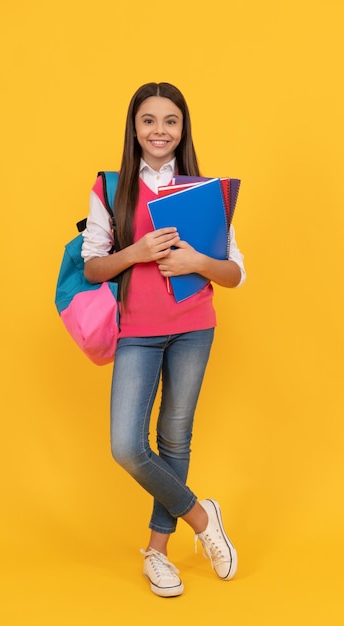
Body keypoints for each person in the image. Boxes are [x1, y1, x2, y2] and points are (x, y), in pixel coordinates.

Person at [81, 82, 246, 597]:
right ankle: (202, 516)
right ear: (134, 127)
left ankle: (157, 552)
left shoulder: (204, 191)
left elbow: (235, 272)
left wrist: (197, 261)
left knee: (175, 440)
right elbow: (91, 268)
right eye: (149, 120)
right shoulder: (110, 187)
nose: (159, 130)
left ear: (182, 128)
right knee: (128, 446)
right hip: (138, 331)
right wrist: (136, 251)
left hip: (195, 326)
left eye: (170, 121)